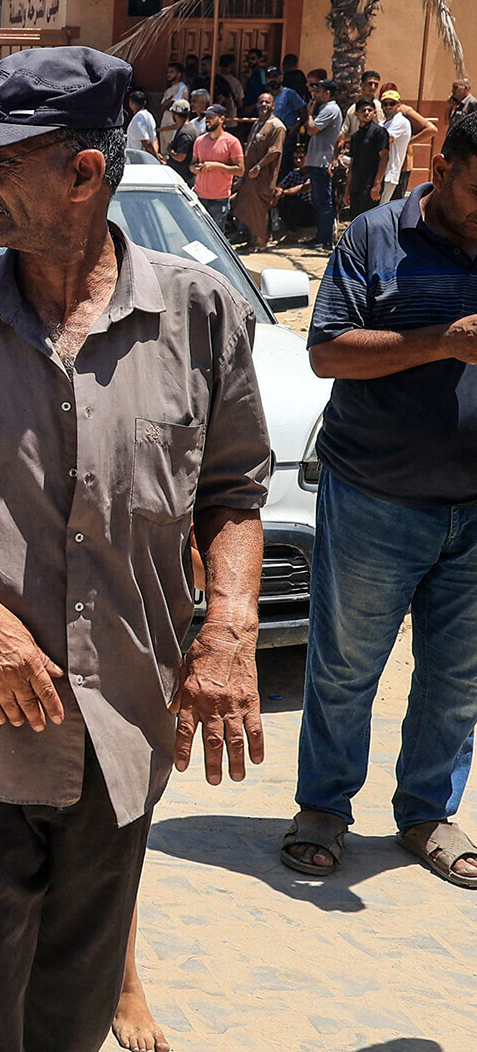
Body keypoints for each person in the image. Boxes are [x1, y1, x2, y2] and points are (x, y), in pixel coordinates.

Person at [0, 45, 270, 1052]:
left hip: (124, 731)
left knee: (75, 1012)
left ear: (84, 174)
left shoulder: (200, 313)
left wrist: (227, 629)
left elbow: (232, 492)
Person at [282, 112, 477, 894]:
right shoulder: (373, 237)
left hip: (475, 507)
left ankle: (428, 811)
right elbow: (326, 350)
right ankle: (324, 809)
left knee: (458, 677)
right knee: (345, 667)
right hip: (376, 497)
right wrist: (444, 340)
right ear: (447, 164)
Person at [233, 92, 286, 250]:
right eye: (261, 102)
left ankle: (260, 243)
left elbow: (274, 152)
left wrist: (258, 167)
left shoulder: (277, 126)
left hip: (263, 177)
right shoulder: (257, 123)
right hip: (250, 177)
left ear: (273, 106)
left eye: (267, 102)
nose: (263, 105)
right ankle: (252, 240)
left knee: (259, 210)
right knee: (249, 208)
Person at [301, 78, 344, 249]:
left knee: (324, 202)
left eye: (319, 91)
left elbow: (311, 130)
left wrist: (310, 113)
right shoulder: (326, 109)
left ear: (327, 93)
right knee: (319, 201)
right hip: (317, 161)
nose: (315, 94)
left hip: (322, 162)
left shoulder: (330, 109)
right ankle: (320, 237)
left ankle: (325, 240)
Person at [379, 85, 437, 202]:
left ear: (398, 103)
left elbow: (432, 129)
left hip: (401, 165)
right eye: (385, 103)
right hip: (385, 166)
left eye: (392, 103)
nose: (388, 106)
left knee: (393, 204)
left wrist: (408, 142)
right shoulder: (384, 121)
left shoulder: (404, 112)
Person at [191, 104, 244, 228]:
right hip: (199, 196)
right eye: (206, 117)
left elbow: (240, 170)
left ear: (222, 119)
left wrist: (216, 166)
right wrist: (194, 169)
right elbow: (192, 164)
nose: (207, 119)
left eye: (211, 117)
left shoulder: (232, 142)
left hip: (219, 199)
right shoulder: (199, 141)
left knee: (216, 237)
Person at [346, 99, 392, 218]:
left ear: (374, 113)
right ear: (356, 113)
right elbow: (352, 163)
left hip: (370, 186)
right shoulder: (355, 136)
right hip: (356, 186)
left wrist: (377, 184)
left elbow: (384, 158)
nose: (366, 113)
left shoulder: (379, 132)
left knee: (369, 220)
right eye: (363, 110)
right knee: (355, 220)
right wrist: (347, 190)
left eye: (370, 110)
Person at [275, 146, 316, 238]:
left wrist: (284, 192)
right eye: (295, 158)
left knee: (292, 199)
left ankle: (291, 234)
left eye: (301, 158)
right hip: (296, 210)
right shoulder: (293, 173)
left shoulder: (313, 174)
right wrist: (278, 191)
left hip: (310, 210)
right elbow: (280, 186)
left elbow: (302, 188)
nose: (298, 161)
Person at [164, 100, 197, 188]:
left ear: (175, 114)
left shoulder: (185, 133)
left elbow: (180, 157)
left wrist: (169, 151)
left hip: (183, 179)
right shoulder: (190, 128)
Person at [159, 62, 189, 150]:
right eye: (168, 72)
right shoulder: (168, 90)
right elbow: (162, 107)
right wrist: (166, 104)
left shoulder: (182, 87)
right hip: (164, 126)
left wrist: (167, 104)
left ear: (179, 74)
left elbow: (174, 105)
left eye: (171, 72)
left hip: (173, 127)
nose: (169, 75)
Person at [126, 89, 159, 158]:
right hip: (147, 158)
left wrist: (156, 158)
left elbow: (147, 143)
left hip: (138, 159)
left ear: (131, 103)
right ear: (145, 103)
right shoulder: (149, 115)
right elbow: (155, 138)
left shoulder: (138, 118)